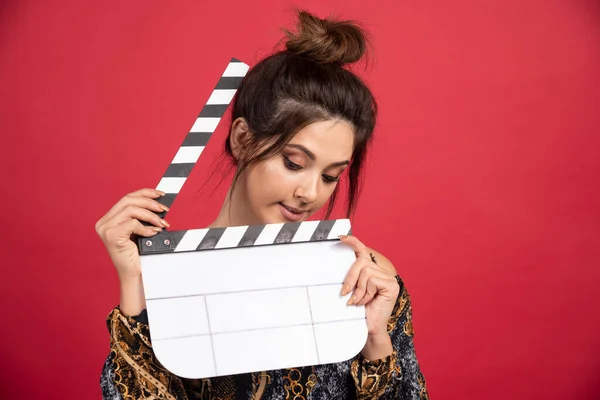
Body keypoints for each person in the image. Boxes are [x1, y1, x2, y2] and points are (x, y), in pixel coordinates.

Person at [96, 9, 429, 400]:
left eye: (330, 176)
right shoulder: (167, 281)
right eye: (293, 163)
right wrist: (136, 285)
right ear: (241, 139)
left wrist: (375, 339)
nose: (311, 193)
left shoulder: (364, 280)